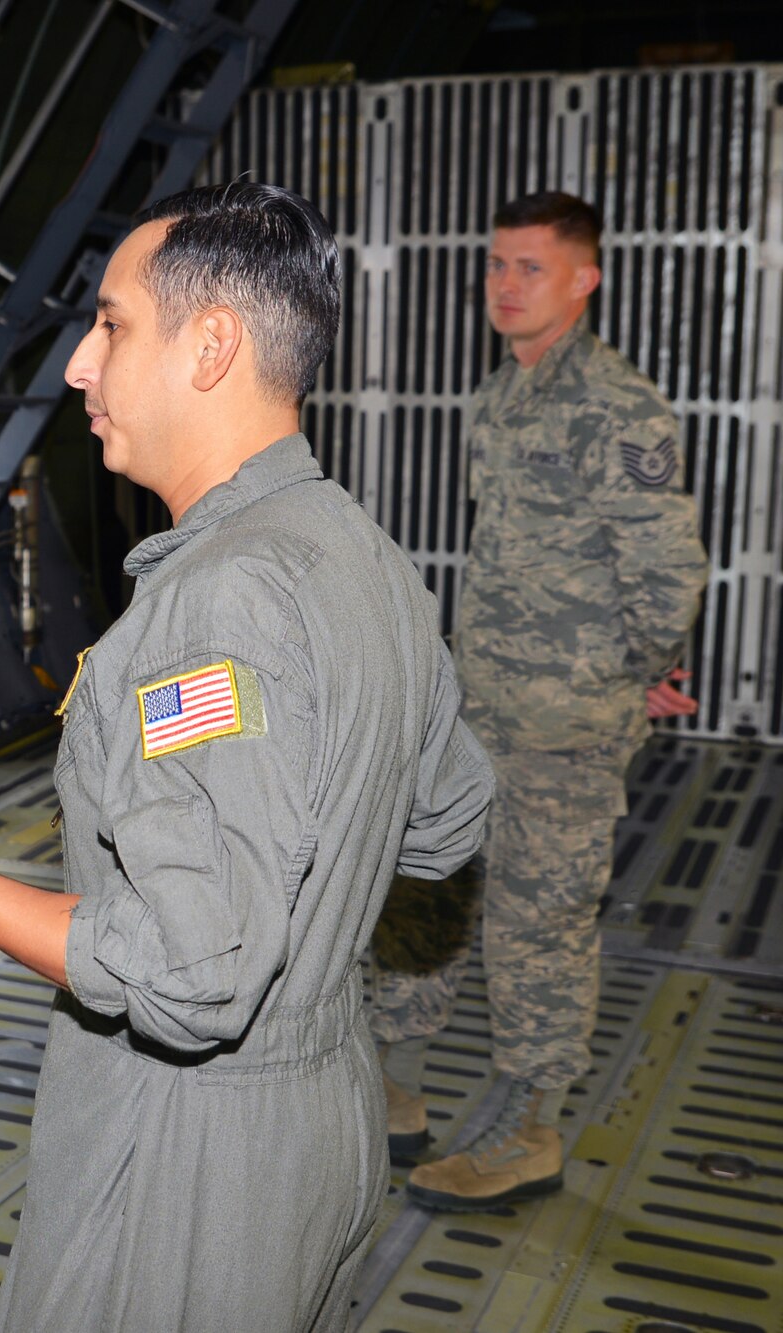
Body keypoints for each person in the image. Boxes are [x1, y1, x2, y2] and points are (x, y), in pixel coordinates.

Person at [0, 182, 494, 1329]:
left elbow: (189, 974)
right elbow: (448, 817)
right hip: (324, 1116)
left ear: (209, 346)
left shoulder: (212, 608)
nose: (76, 366)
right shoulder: (354, 550)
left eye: (108, 325)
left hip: (191, 1155)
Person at [374, 191, 709, 1210]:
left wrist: (623, 671)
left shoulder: (617, 407)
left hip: (560, 732)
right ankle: (394, 1091)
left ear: (582, 280)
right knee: (430, 889)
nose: (504, 286)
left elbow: (667, 574)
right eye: (494, 265)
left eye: (528, 268)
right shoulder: (501, 394)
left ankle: (529, 1131)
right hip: (475, 711)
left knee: (539, 921)